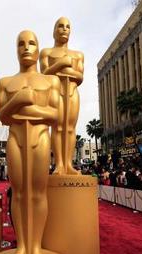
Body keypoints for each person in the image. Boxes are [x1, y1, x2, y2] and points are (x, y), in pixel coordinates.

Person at [0, 30, 60, 254]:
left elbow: (55, 115)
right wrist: (18, 100)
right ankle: (22, 247)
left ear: (38, 46)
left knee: (38, 193)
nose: (26, 47)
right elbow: (3, 116)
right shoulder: (5, 82)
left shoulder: (50, 81)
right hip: (16, 138)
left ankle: (35, 248)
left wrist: (27, 108)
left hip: (40, 138)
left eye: (31, 43)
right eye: (21, 43)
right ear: (16, 48)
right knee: (20, 193)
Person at [40, 17, 84, 175]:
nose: (64, 29)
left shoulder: (78, 55)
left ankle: (68, 164)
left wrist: (62, 69)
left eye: (67, 26)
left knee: (70, 128)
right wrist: (61, 64)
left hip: (72, 91)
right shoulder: (47, 52)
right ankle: (59, 163)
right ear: (54, 31)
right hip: (55, 92)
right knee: (57, 127)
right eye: (60, 26)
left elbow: (79, 76)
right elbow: (44, 73)